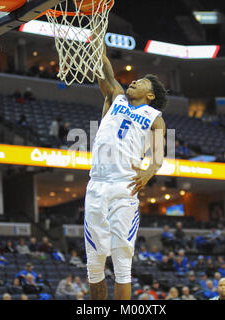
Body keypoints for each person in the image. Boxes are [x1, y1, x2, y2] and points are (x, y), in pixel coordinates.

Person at [83, 34, 167, 301]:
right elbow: (103, 65)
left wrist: (151, 169)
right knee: (95, 263)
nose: (133, 81)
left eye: (140, 82)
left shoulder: (154, 118)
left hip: (125, 186)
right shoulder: (116, 96)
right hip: (97, 184)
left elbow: (158, 154)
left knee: (122, 261)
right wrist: (96, 39)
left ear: (150, 95)